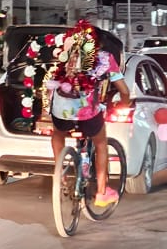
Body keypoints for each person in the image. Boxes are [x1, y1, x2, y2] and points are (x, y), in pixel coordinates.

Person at [44, 21, 131, 206]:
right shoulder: (106, 58)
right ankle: (101, 192)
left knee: (58, 134)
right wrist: (125, 102)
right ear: (97, 43)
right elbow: (123, 89)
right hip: (88, 113)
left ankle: (59, 172)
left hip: (61, 111)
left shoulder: (65, 55)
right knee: (100, 142)